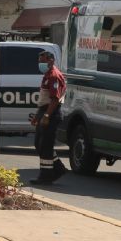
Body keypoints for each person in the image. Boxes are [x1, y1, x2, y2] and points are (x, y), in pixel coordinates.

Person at [30, 50, 68, 185]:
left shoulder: (53, 76)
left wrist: (46, 116)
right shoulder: (47, 75)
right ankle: (58, 168)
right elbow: (44, 99)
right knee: (39, 144)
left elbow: (55, 99)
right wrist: (37, 115)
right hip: (44, 111)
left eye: (43, 61)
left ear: (51, 60)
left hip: (50, 113)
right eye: (39, 61)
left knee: (45, 145)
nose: (40, 64)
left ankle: (46, 175)